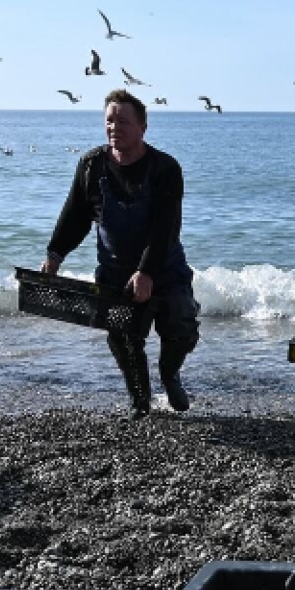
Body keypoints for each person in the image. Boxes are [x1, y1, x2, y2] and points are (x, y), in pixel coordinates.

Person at [43, 89, 201, 416]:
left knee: (181, 328)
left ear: (143, 127)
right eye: (109, 120)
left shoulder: (165, 168)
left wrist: (146, 271)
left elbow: (166, 227)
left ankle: (170, 374)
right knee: (122, 339)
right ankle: (140, 401)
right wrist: (55, 254)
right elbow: (75, 215)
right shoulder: (90, 165)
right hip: (114, 271)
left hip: (165, 267)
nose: (115, 127)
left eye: (123, 121)